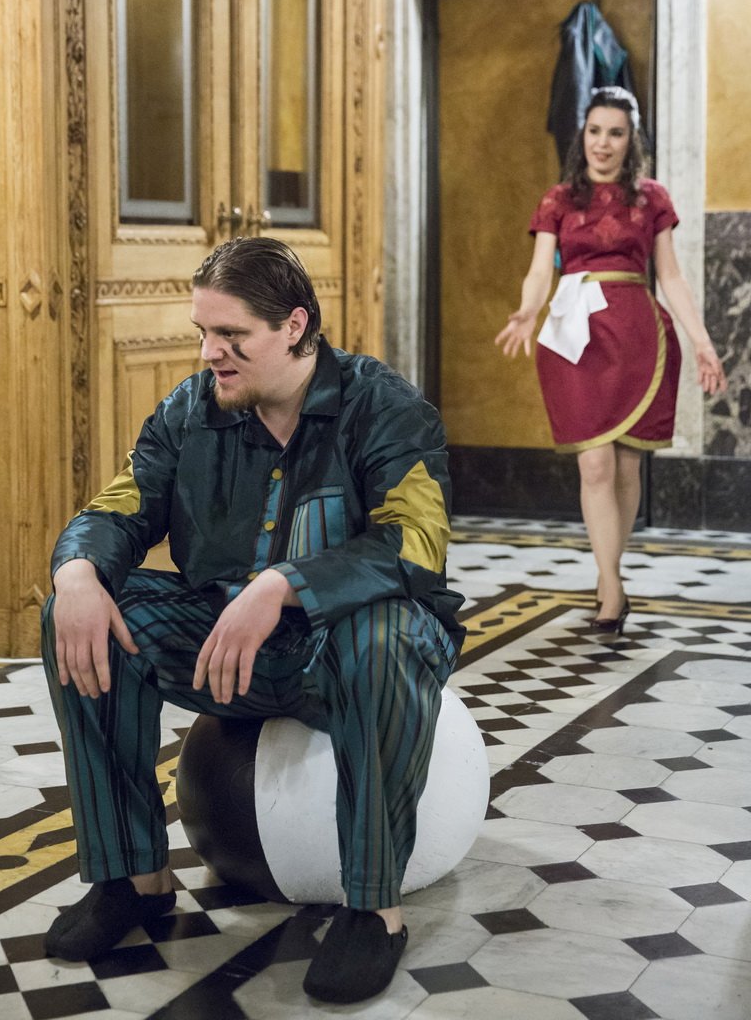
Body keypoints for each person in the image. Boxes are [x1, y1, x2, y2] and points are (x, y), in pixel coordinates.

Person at [40, 236, 465, 1005]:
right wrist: (76, 571)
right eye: (204, 332)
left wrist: (283, 585)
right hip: (226, 645)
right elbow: (118, 509)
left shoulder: (385, 408)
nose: (211, 352)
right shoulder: (189, 412)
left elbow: (414, 544)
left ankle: (374, 910)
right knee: (82, 613)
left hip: (349, 647)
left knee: (381, 634)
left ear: (294, 326)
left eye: (231, 335)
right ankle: (132, 878)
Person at [496, 86, 726, 634]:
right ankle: (612, 586)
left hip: (639, 334)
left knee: (625, 466)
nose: (603, 143)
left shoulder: (652, 199)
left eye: (615, 133)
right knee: (594, 463)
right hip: (575, 337)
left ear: (631, 140)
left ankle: (608, 578)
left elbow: (671, 276)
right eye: (595, 131)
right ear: (583, 135)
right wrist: (527, 310)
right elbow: (539, 270)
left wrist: (701, 340)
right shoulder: (558, 199)